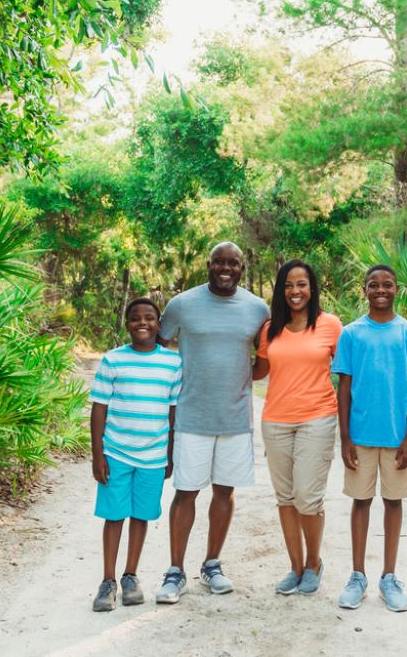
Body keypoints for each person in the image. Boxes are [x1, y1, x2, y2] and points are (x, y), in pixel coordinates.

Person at [155, 242, 269, 604]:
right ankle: (175, 572)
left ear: (242, 268)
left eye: (233, 263)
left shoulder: (257, 308)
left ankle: (212, 565)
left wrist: (235, 379)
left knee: (224, 491)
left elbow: (263, 362)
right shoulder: (182, 305)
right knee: (185, 491)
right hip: (191, 416)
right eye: (219, 262)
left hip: (235, 418)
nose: (226, 268)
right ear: (208, 265)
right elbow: (159, 351)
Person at [331, 264, 407, 612]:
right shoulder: (351, 334)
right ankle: (357, 576)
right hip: (360, 435)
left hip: (396, 437)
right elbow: (343, 388)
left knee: (393, 501)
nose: (380, 290)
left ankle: (389, 577)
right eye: (373, 285)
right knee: (360, 501)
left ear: (397, 289)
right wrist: (344, 438)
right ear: (364, 290)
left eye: (387, 284)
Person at [252, 259, 342, 596]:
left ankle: (314, 562)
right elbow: (258, 370)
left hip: (317, 418)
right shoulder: (270, 328)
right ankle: (295, 566)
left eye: (301, 284)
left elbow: (348, 371)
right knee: (286, 498)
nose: (295, 291)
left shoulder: (330, 325)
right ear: (281, 290)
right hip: (275, 420)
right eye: (289, 285)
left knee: (307, 497)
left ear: (312, 287)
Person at [89, 297, 182, 611]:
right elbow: (99, 408)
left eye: (149, 318)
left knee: (141, 515)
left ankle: (130, 576)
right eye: (135, 319)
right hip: (116, 452)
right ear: (126, 324)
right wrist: (97, 454)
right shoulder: (113, 360)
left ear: (159, 325)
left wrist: (169, 453)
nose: (142, 323)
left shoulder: (173, 363)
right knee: (114, 516)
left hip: (153, 456)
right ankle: (107, 581)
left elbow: (173, 412)